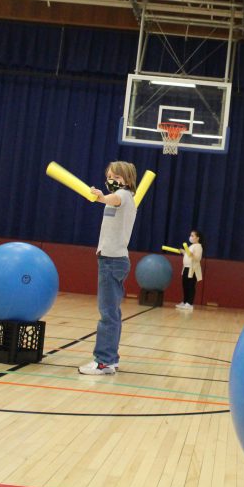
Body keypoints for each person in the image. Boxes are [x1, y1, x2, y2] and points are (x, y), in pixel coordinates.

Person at [79, 161, 137, 376]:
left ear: (126, 179)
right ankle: (110, 359)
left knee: (108, 314)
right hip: (110, 260)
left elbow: (113, 197)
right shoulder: (122, 198)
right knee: (111, 312)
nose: (111, 180)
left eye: (116, 177)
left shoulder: (123, 195)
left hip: (113, 262)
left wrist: (101, 196)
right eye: (109, 176)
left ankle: (104, 361)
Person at [176, 230, 204, 310]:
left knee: (190, 286)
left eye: (192, 236)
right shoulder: (191, 246)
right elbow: (188, 255)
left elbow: (197, 258)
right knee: (185, 286)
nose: (190, 237)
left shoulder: (198, 246)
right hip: (186, 268)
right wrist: (184, 252)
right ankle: (185, 302)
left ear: (197, 238)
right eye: (190, 235)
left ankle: (190, 303)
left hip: (192, 270)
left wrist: (190, 254)